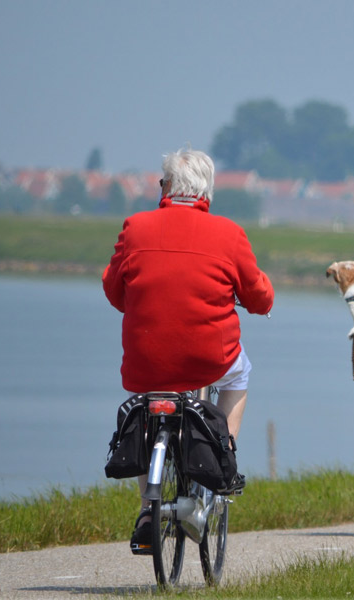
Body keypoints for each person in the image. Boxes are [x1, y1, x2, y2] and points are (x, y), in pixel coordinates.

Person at [102, 148, 274, 551]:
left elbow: (114, 289)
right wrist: (261, 299)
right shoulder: (229, 234)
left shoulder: (135, 227)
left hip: (146, 361)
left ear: (166, 188)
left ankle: (149, 508)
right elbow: (259, 296)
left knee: (148, 405)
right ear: (207, 193)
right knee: (240, 374)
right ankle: (224, 460)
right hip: (208, 358)